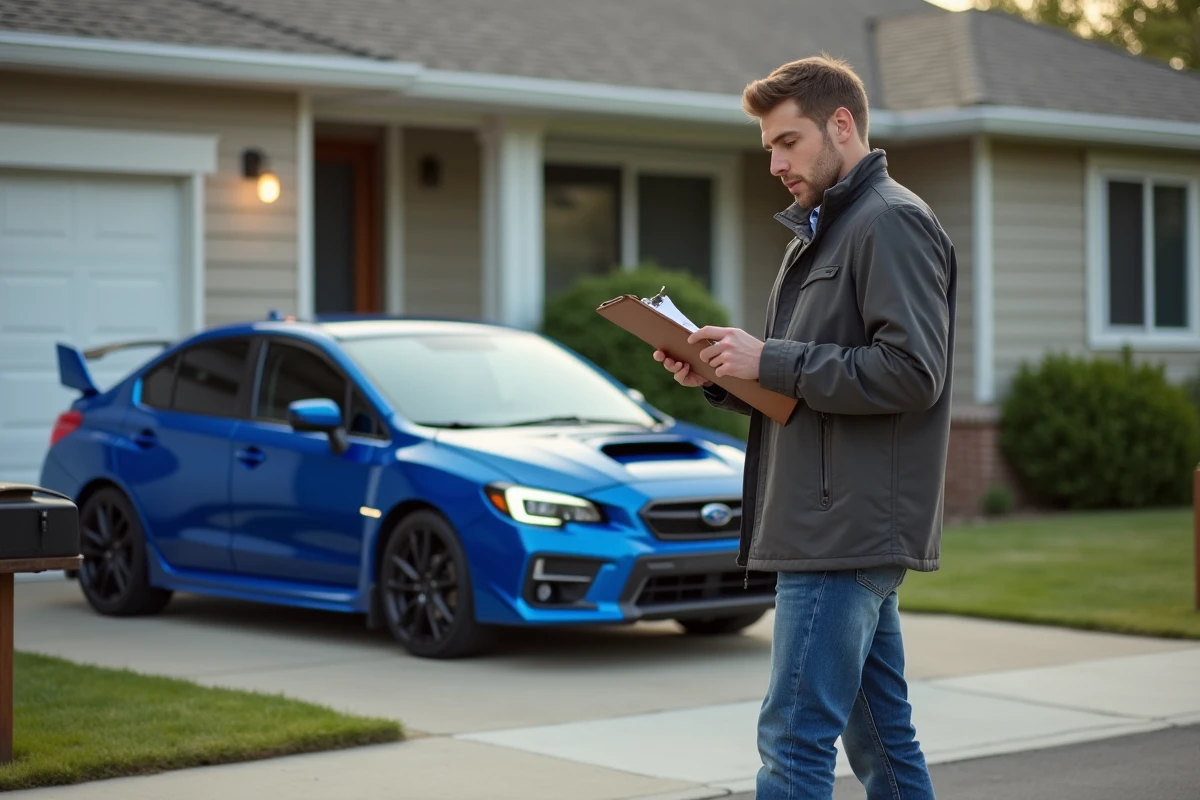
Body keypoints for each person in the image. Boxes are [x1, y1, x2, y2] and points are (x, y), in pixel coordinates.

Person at [654, 55, 955, 799]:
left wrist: (773, 357)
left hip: (842, 528)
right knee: (882, 741)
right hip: (832, 522)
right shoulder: (825, 232)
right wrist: (726, 376)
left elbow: (914, 374)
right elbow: (810, 386)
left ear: (841, 125)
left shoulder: (891, 223)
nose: (775, 163)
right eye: (767, 149)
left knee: (793, 741)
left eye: (788, 141)